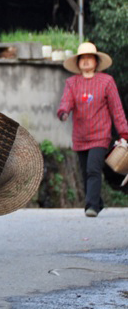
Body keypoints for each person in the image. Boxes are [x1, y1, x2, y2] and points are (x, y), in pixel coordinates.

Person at [57, 42, 128, 217]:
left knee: (93, 169)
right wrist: (64, 112)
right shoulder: (72, 83)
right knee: (84, 172)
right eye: (83, 58)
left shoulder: (106, 81)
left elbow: (116, 108)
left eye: (90, 58)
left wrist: (124, 133)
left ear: (96, 62)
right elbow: (66, 101)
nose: (87, 61)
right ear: (78, 62)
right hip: (80, 136)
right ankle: (98, 201)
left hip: (100, 135)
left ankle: (92, 207)